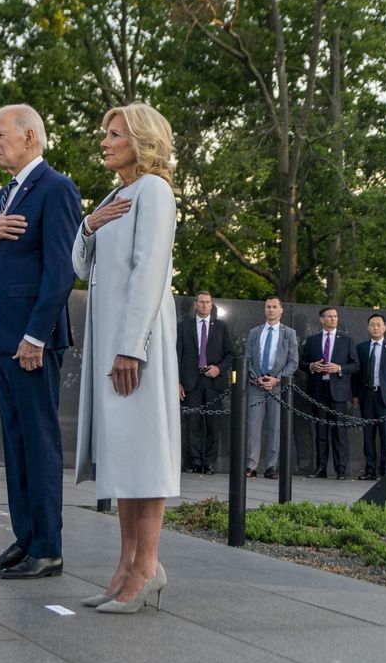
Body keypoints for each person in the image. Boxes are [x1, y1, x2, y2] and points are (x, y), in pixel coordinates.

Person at [0, 105, 82, 580]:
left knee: (39, 442)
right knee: (14, 444)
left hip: (31, 342)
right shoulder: (1, 196)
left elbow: (61, 270)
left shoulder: (57, 189)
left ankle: (48, 549)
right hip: (2, 338)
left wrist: (36, 335)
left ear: (30, 136)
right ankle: (26, 539)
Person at [72, 102, 179, 614]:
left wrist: (130, 346)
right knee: (123, 454)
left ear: (141, 140)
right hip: (113, 338)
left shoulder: (155, 191)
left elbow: (150, 268)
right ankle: (126, 565)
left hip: (136, 341)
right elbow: (79, 263)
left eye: (114, 134)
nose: (105, 142)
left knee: (143, 451)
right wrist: (88, 225)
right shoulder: (117, 196)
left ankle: (147, 567)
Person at [177, 291, 234, 474]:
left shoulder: (221, 327)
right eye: (201, 302)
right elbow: (177, 355)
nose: (204, 305)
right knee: (192, 422)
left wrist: (218, 368)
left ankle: (209, 461)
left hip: (213, 382)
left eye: (207, 302)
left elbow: (230, 354)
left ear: (211, 305)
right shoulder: (183, 326)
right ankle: (193, 461)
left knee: (212, 423)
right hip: (190, 381)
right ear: (195, 305)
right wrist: (177, 382)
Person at [299, 307, 358, 480]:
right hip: (318, 390)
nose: (333, 319)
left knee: (339, 432)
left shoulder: (347, 340)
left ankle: (341, 469)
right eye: (329, 317)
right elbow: (302, 362)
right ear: (321, 320)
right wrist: (311, 366)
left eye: (335, 316)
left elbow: (355, 365)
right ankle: (321, 468)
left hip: (338, 392)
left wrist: (339, 368)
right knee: (320, 431)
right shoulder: (312, 340)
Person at [244, 297, 298, 479]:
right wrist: (255, 377)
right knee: (253, 427)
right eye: (268, 307)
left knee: (276, 427)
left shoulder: (288, 333)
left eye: (275, 307)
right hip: (256, 385)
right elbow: (248, 358)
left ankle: (271, 467)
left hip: (278, 388)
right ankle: (251, 466)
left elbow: (293, 362)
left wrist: (277, 379)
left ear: (281, 310)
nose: (271, 310)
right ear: (264, 309)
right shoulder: (254, 332)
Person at [352, 314, 386, 480]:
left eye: (378, 325)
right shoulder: (361, 347)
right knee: (368, 435)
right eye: (372, 325)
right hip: (367, 395)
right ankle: (370, 470)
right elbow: (356, 374)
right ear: (368, 327)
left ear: (384, 327)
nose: (375, 327)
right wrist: (355, 394)